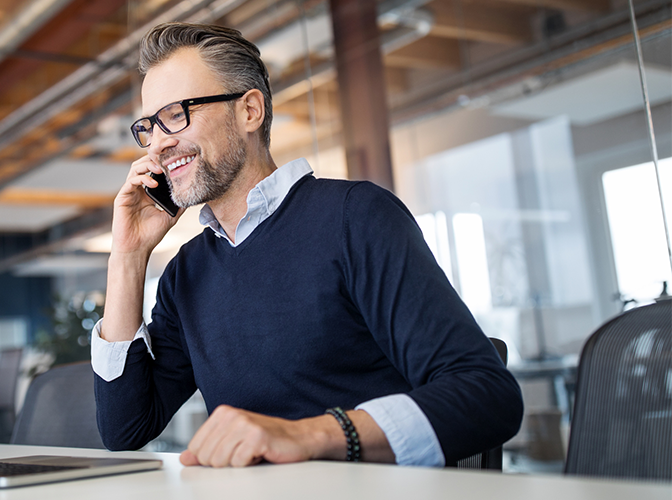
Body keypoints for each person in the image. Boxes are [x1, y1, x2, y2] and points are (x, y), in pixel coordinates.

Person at [91, 22, 523, 468]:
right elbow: (126, 428)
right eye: (148, 127)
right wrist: (127, 257)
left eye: (177, 114)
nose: (159, 143)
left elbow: (487, 395)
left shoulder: (356, 217)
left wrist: (309, 435)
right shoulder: (188, 272)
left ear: (249, 111)